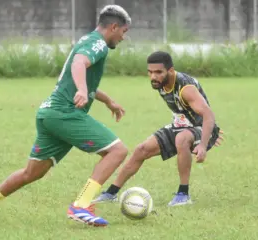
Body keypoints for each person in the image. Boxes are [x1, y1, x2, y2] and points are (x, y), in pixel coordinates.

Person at [0, 5, 132, 227]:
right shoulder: (98, 43)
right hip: (64, 113)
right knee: (117, 150)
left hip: (49, 113)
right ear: (113, 27)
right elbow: (79, 63)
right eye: (124, 31)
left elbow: (73, 78)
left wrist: (106, 99)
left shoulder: (87, 39)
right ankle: (81, 205)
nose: (123, 37)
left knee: (31, 173)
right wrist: (82, 90)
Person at [93, 51, 224, 206]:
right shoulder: (161, 83)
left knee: (182, 138)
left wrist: (203, 143)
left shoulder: (186, 88)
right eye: (150, 72)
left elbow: (208, 114)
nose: (153, 77)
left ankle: (183, 195)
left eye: (158, 72)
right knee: (141, 149)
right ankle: (111, 193)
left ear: (170, 70)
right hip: (181, 125)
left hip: (200, 126)